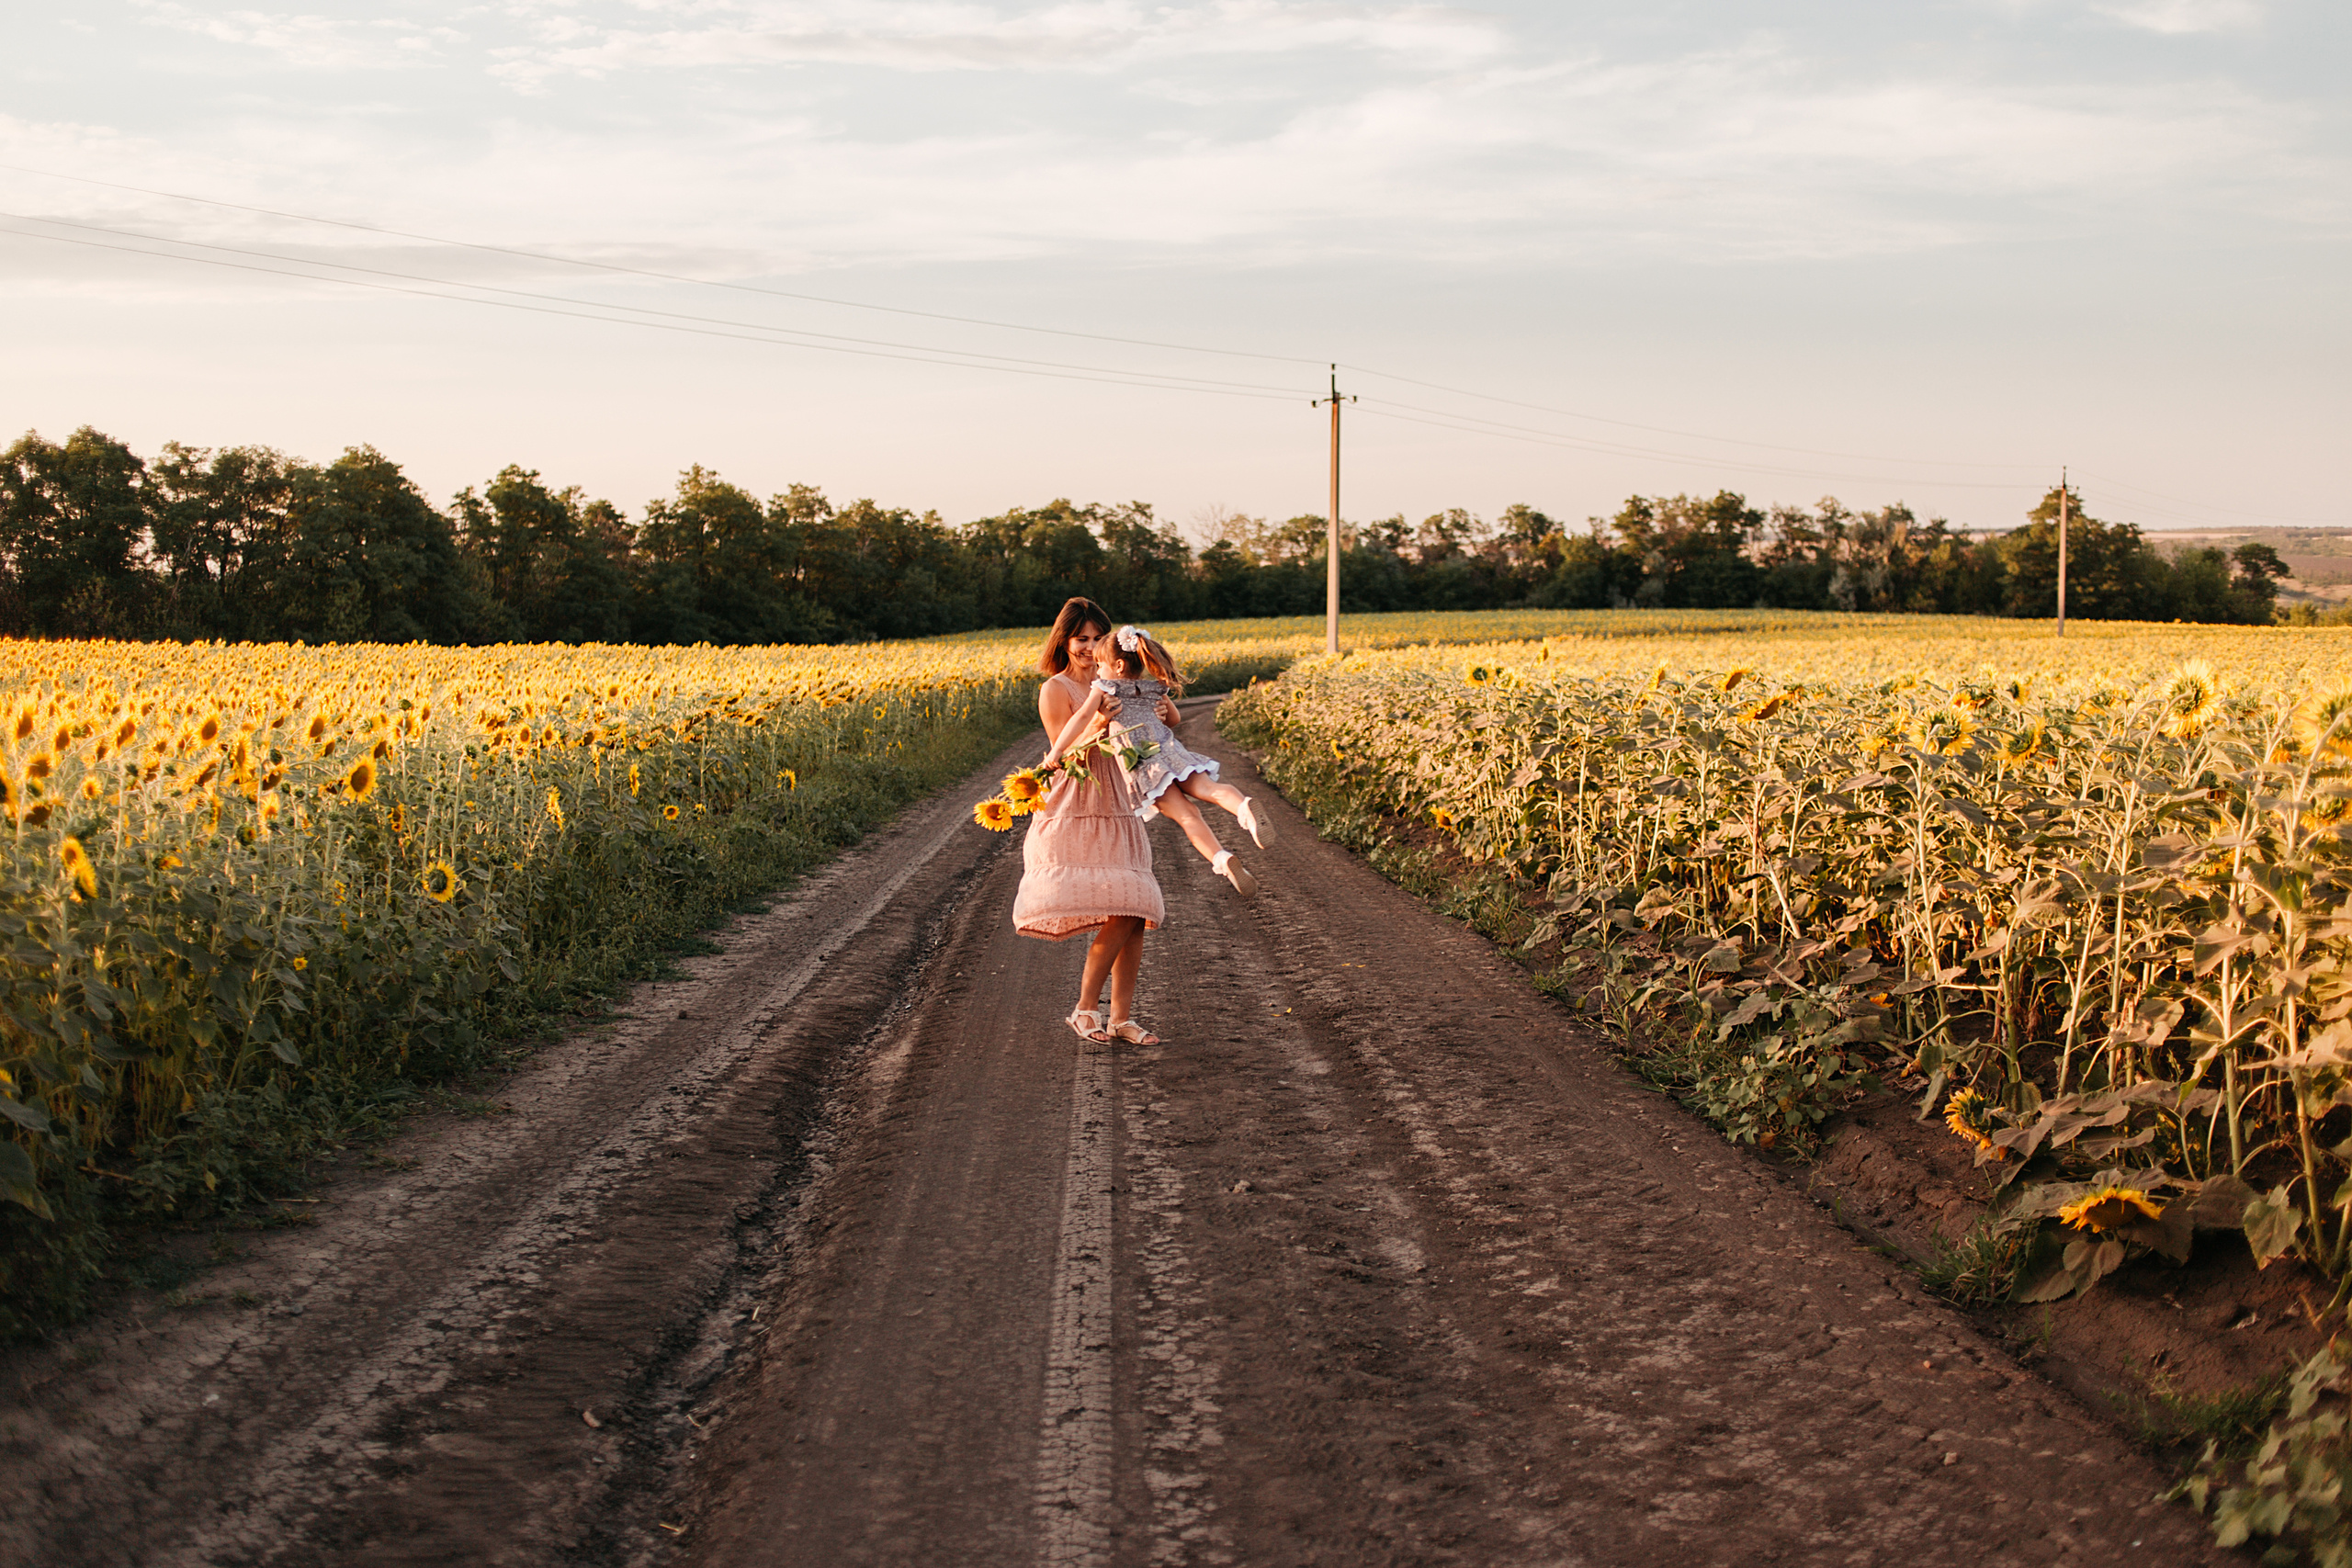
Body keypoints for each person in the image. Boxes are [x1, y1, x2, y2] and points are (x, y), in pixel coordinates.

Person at [1011, 598, 1170, 1045]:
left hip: (1120, 797)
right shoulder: (1056, 689)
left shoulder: (1122, 679)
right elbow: (1064, 748)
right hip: (1077, 802)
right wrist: (1100, 721)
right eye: (1082, 638)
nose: (1089, 646)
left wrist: (1153, 718)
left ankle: (1121, 1019)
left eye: (1098, 638)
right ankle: (1085, 1009)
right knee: (1124, 906)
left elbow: (1157, 731)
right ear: (1065, 640)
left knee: (1134, 908)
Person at [1042, 624, 1271, 898]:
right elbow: (1174, 720)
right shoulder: (1152, 688)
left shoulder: (1105, 687)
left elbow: (1080, 719)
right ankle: (1244, 808)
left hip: (1144, 761)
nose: (1097, 669)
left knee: (1186, 815)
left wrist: (1056, 752)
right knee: (1208, 789)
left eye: (1100, 664)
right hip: (1170, 750)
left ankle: (1221, 858)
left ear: (1116, 665)